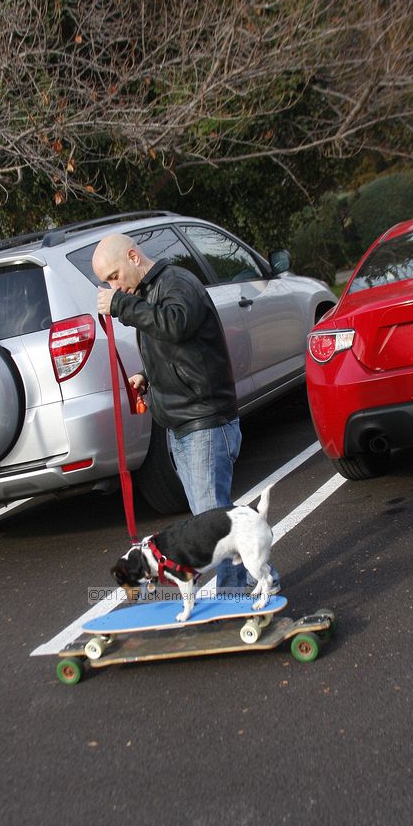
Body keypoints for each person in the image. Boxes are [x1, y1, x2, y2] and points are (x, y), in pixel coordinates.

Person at [92, 232, 279, 597]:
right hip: (182, 422)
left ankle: (235, 597)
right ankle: (253, 584)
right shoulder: (148, 293)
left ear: (133, 257)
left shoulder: (177, 282)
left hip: (204, 421)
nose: (112, 286)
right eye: (106, 282)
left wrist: (120, 306)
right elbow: (179, 348)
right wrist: (148, 377)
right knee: (210, 519)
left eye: (113, 276)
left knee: (212, 524)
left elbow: (176, 323)